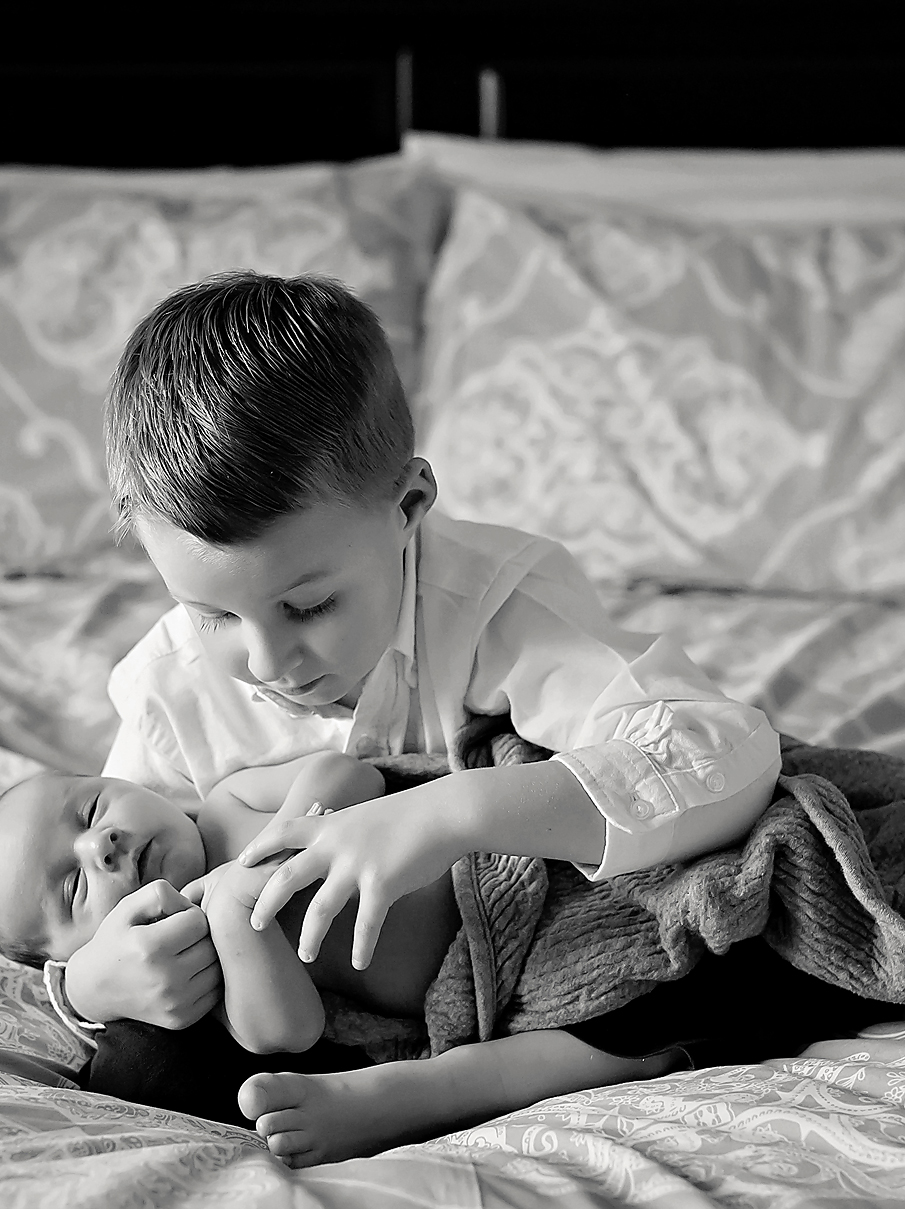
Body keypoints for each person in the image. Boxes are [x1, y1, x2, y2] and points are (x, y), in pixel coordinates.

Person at [61, 270, 785, 1047]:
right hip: (293, 1011)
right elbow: (91, 900)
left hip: (510, 968)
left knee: (732, 959)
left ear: (406, 509)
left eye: (308, 606)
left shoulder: (498, 606)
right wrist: (84, 986)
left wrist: (447, 815)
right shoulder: (168, 687)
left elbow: (722, 750)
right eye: (211, 615)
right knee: (143, 1058)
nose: (269, 660)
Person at [0, 750, 890, 1165]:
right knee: (670, 1001)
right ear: (79, 949)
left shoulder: (227, 798)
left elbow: (352, 772)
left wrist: (304, 821)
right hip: (493, 984)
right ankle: (418, 1097)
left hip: (509, 873)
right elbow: (285, 1028)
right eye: (75, 888)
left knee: (715, 889)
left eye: (91, 814)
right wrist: (241, 918)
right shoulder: (200, 950)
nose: (107, 849)